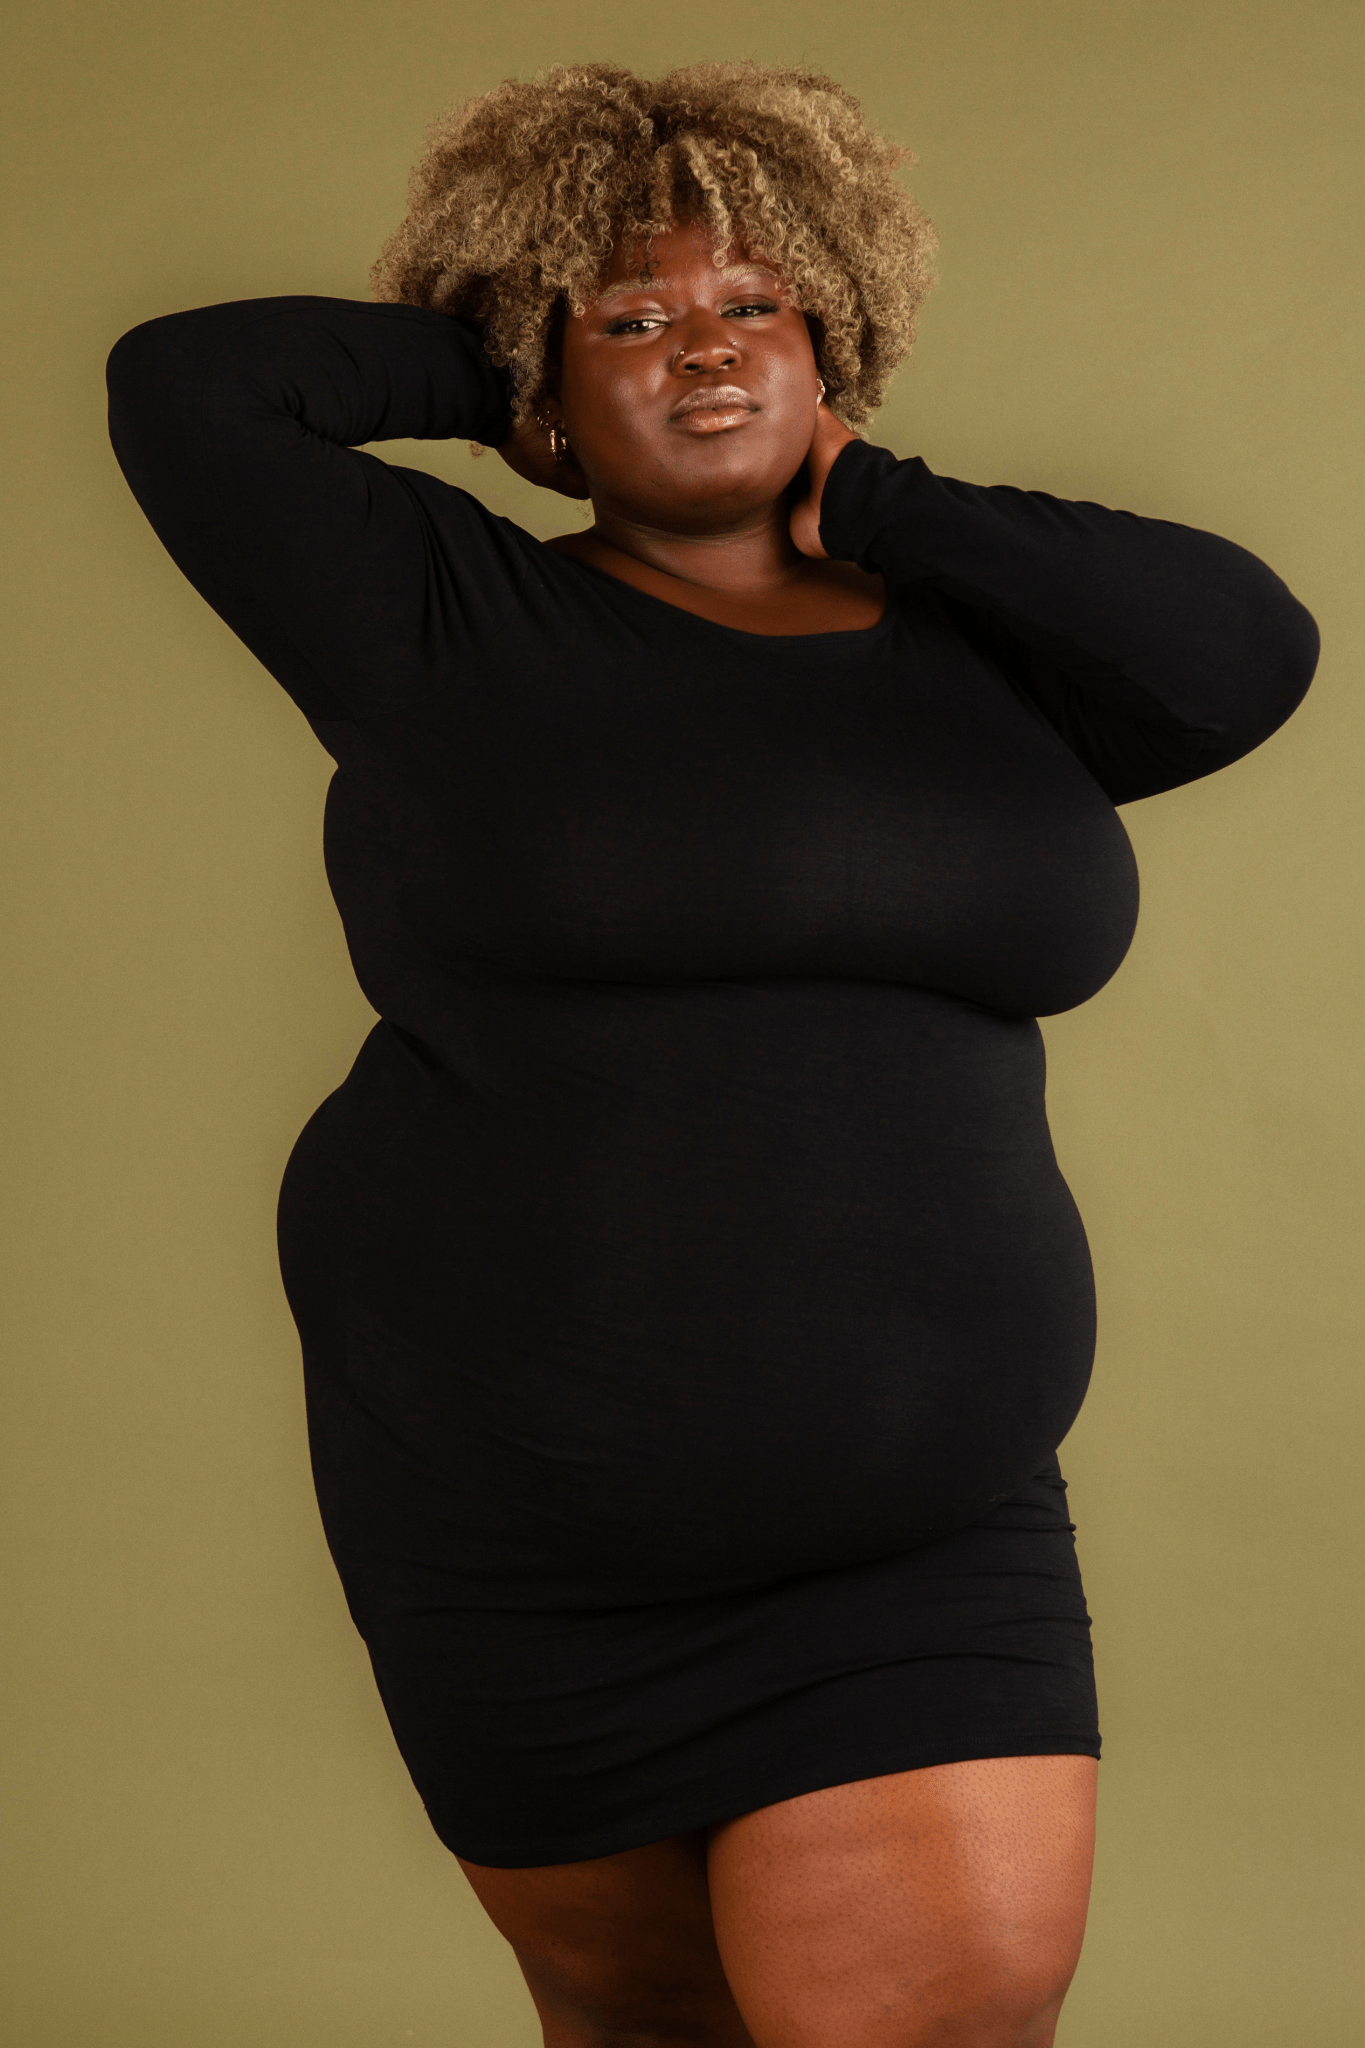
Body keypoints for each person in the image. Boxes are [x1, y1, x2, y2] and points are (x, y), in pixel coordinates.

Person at [105, 60, 1317, 2048]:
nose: (703, 348)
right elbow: (191, 385)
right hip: (515, 1529)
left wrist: (881, 499)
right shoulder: (434, 616)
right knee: (645, 2028)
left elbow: (1246, 650)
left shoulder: (990, 649)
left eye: (755, 303)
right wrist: (514, 345)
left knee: (941, 2016)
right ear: (543, 378)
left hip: (924, 1534)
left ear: (834, 331)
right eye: (633, 320)